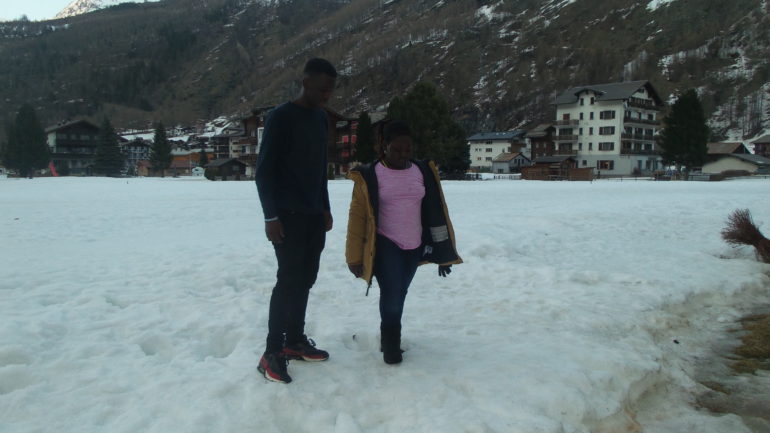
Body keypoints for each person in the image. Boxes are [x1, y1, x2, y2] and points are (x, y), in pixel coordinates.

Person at [345, 120, 462, 364]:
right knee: (392, 293)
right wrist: (354, 257)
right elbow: (357, 218)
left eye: (407, 149)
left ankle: (389, 336)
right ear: (384, 146)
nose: (403, 154)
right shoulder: (370, 175)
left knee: (400, 292)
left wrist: (443, 253)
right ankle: (391, 346)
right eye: (396, 149)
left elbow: (436, 212)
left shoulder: (422, 171)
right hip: (386, 243)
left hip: (414, 245)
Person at [254, 58, 337, 384]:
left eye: (330, 90)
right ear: (305, 82)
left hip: (314, 215)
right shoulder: (280, 117)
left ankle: (295, 341)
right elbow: (264, 172)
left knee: (306, 278)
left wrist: (325, 207)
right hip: (286, 216)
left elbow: (320, 169)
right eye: (322, 89)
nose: (327, 96)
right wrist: (270, 216)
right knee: (288, 281)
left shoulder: (321, 118)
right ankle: (271, 352)